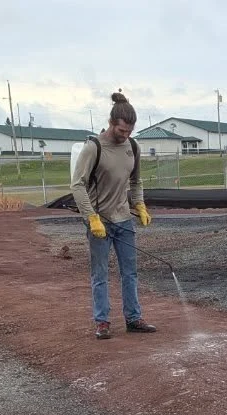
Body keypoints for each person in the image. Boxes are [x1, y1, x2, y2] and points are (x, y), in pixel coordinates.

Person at [70, 92, 157, 340]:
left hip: (124, 220)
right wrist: (91, 217)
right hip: (101, 222)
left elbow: (136, 180)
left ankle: (133, 318)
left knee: (130, 272)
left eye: (129, 131)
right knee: (100, 274)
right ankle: (102, 322)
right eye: (121, 131)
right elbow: (77, 185)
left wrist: (139, 204)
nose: (125, 135)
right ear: (111, 123)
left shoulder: (133, 147)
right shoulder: (93, 148)